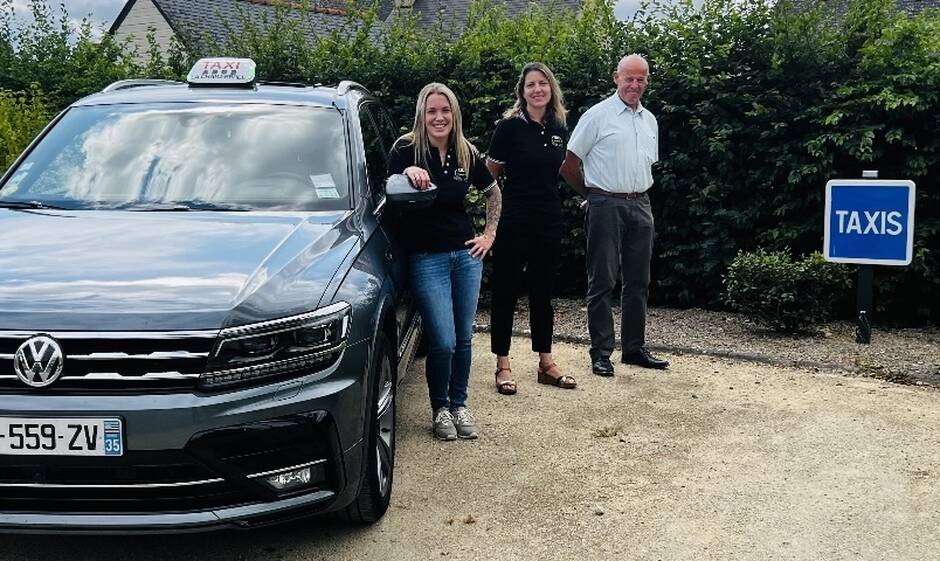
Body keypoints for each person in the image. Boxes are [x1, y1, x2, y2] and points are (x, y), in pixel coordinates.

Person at [388, 83, 502, 440]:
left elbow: (493, 192)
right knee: (443, 340)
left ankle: (459, 404)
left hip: (466, 256)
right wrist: (405, 175)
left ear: (455, 114)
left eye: (445, 110)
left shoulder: (465, 152)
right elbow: (387, 188)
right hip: (427, 258)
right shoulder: (406, 149)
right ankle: (440, 409)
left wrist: (490, 235)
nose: (439, 117)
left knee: (464, 337)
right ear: (422, 114)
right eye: (432, 111)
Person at [559, 53, 670, 376]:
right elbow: (568, 163)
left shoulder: (649, 120)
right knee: (602, 280)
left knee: (639, 281)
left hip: (641, 204)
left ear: (646, 81)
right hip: (605, 204)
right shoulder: (598, 116)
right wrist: (592, 196)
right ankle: (601, 352)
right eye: (629, 78)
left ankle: (634, 349)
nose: (634, 85)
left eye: (641, 79)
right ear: (615, 78)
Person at [486, 62, 575, 394]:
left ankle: (546, 362)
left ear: (551, 89)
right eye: (530, 85)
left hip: (548, 218)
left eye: (543, 84)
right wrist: (490, 224)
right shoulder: (508, 129)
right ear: (522, 93)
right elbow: (489, 177)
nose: (537, 89)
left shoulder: (558, 128)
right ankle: (502, 365)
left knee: (543, 291)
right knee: (506, 290)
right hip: (514, 219)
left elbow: (561, 171)